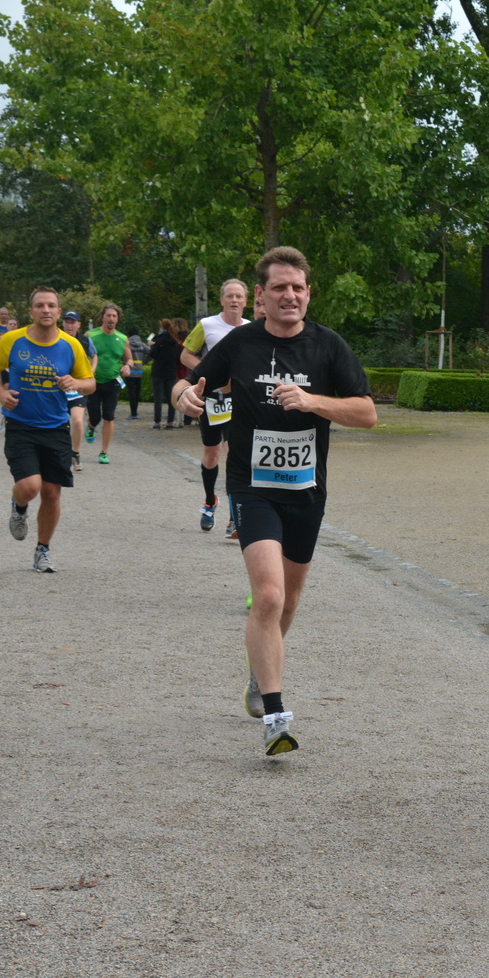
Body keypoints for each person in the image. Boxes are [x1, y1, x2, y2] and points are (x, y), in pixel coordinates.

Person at [174, 246, 376, 755]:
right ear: (260, 297)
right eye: (280, 288)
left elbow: (367, 413)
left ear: (308, 294)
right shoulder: (241, 343)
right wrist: (184, 396)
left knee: (289, 599)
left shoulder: (328, 346)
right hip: (252, 485)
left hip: (306, 490)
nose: (290, 295)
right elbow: (190, 384)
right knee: (267, 595)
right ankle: (275, 713)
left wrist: (312, 401)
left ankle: (258, 669)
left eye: (298, 287)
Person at [0, 287, 96, 573]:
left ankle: (42, 550)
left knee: (51, 493)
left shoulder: (71, 345)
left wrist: (76, 383)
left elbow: (90, 383)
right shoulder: (12, 340)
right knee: (30, 486)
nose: (45, 310)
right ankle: (19, 505)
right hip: (20, 424)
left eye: (50, 305)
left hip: (56, 426)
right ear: (31, 311)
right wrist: (0, 393)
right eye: (39, 305)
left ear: (58, 312)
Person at [181, 278, 250, 534]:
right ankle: (210, 501)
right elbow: (186, 355)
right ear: (222, 300)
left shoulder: (252, 328)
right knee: (212, 454)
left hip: (239, 400)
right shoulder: (207, 325)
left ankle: (235, 516)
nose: (234, 300)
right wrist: (208, 374)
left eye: (239, 296)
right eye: (229, 296)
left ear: (246, 301)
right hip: (212, 399)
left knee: (235, 453)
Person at [85, 303, 130, 465]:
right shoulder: (90, 335)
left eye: (114, 316)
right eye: (108, 315)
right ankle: (91, 426)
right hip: (94, 382)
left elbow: (129, 358)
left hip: (113, 382)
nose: (111, 319)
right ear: (102, 317)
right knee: (95, 417)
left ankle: (104, 452)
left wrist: (127, 366)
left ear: (117, 319)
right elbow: (82, 356)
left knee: (109, 417)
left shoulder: (122, 338)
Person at [61, 311, 95, 470]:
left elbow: (94, 356)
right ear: (63, 323)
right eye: (67, 322)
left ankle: (75, 453)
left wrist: (90, 373)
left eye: (73, 322)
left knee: (77, 420)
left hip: (77, 387)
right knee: (60, 423)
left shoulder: (85, 341)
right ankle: (61, 453)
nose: (70, 325)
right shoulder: (56, 338)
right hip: (59, 387)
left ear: (78, 324)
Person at [149, 318, 186, 428]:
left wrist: (152, 346)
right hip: (171, 371)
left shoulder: (160, 339)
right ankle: (170, 421)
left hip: (158, 371)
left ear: (162, 326)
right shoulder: (175, 340)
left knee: (158, 398)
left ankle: (157, 422)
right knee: (171, 397)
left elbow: (152, 354)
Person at [124, 327, 149, 418]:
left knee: (131, 393)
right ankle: (135, 413)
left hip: (129, 371)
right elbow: (151, 352)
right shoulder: (142, 344)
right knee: (137, 392)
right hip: (139, 371)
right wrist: (145, 362)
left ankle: (133, 413)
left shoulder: (126, 345)